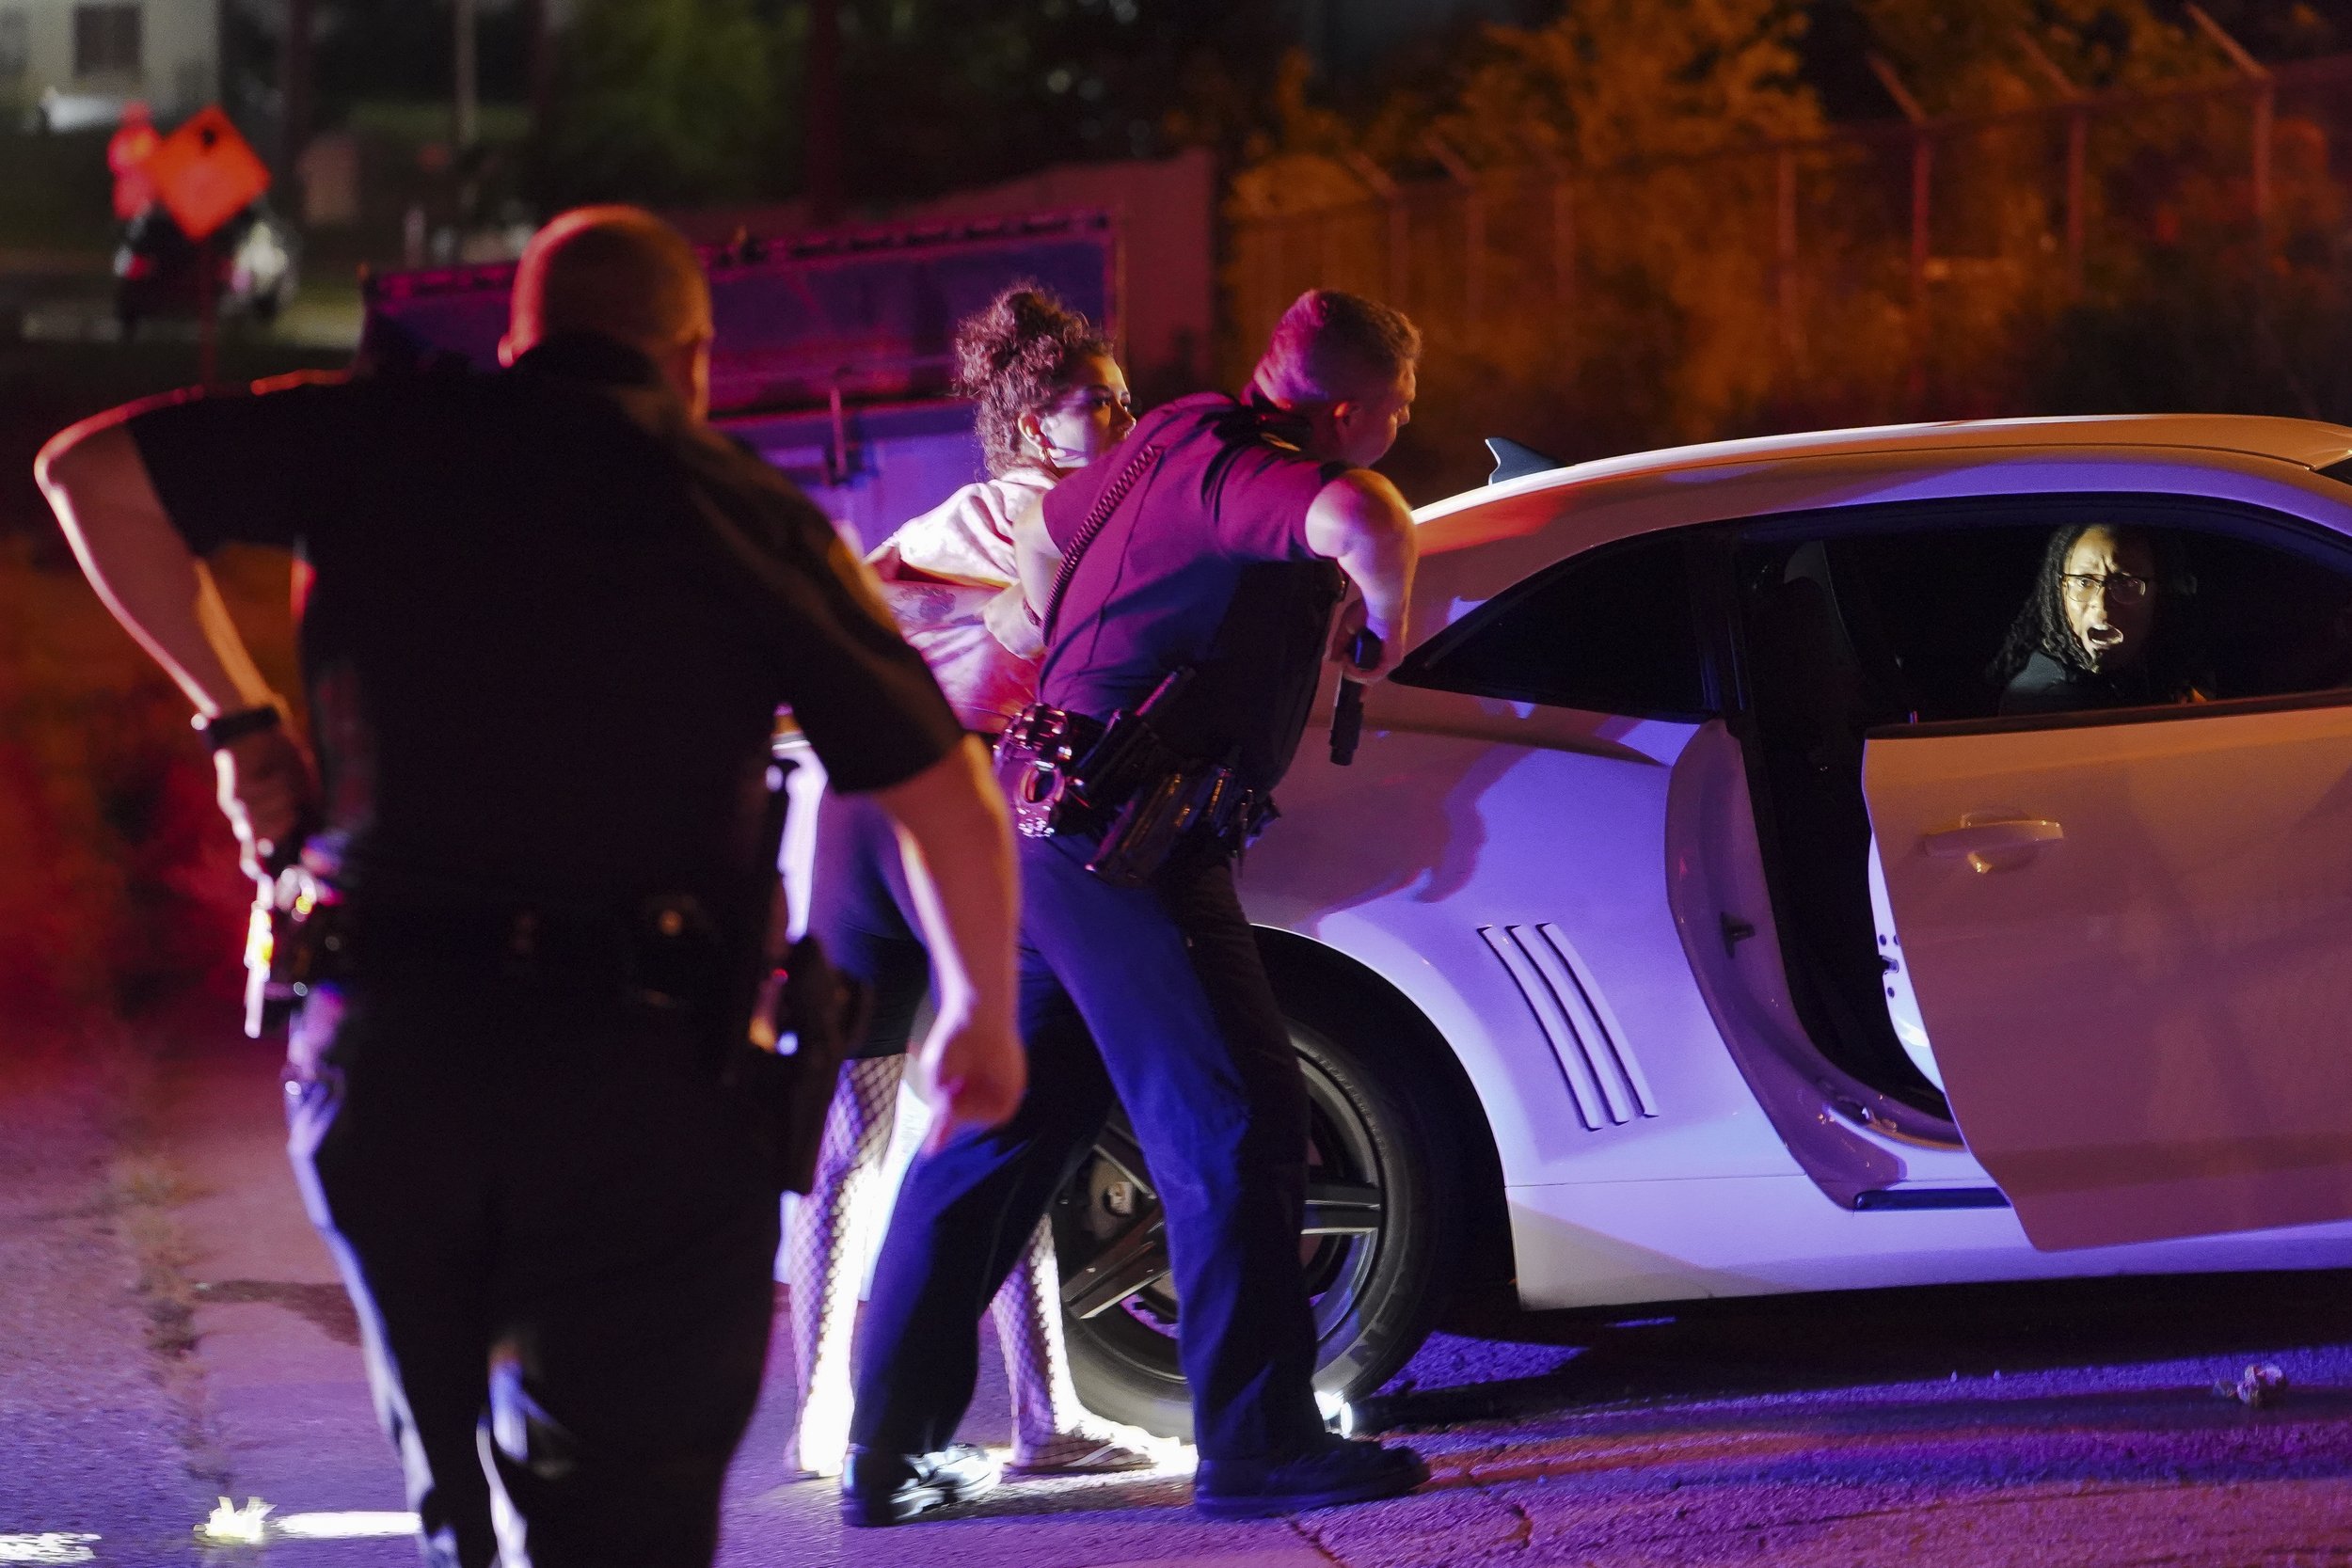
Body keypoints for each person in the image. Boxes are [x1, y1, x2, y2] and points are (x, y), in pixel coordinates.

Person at [34, 205, 1024, 1568]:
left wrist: (241, 720)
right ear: (694, 359)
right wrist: (980, 1011)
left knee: (465, 1506)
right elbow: (942, 788)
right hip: (636, 1090)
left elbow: (88, 473)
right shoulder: (736, 507)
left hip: (387, 1071)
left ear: (517, 338)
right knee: (616, 1518)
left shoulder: (378, 433)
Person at [841, 288, 1429, 1527]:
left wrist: (1075, 652)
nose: (1402, 429)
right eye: (1400, 409)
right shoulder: (1258, 471)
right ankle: (1261, 1442)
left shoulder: (1166, 435)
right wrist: (1385, 617)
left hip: (1042, 821)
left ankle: (887, 1452)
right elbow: (1363, 514)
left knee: (997, 1135)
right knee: (1234, 1116)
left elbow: (1053, 530)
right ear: (1345, 406)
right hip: (1128, 843)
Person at [786, 285, 1156, 1480]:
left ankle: (877, 1415)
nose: (1109, 415)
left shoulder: (988, 515)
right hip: (933, 819)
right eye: (1080, 400)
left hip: (871, 815)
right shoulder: (1019, 518)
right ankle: (992, 1416)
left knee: (921, 1132)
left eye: (1113, 395)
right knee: (941, 1127)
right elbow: (1008, 645)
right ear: (1028, 422)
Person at [1991, 522, 2204, 715]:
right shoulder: (2045, 702)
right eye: (2084, 582)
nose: (2101, 606)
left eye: (2126, 583)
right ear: (2060, 593)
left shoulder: (2154, 676)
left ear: (2160, 594)